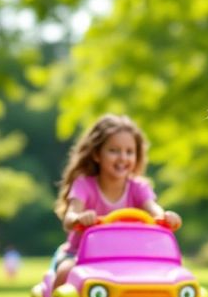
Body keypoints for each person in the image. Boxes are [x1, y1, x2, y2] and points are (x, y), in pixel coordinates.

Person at [52, 114, 182, 285]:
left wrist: (165, 218)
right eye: (114, 150)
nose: (122, 157)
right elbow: (69, 218)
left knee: (168, 275)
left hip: (126, 257)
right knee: (65, 271)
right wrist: (79, 218)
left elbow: (153, 210)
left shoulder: (138, 187)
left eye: (129, 152)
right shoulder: (84, 185)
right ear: (97, 154)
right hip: (80, 256)